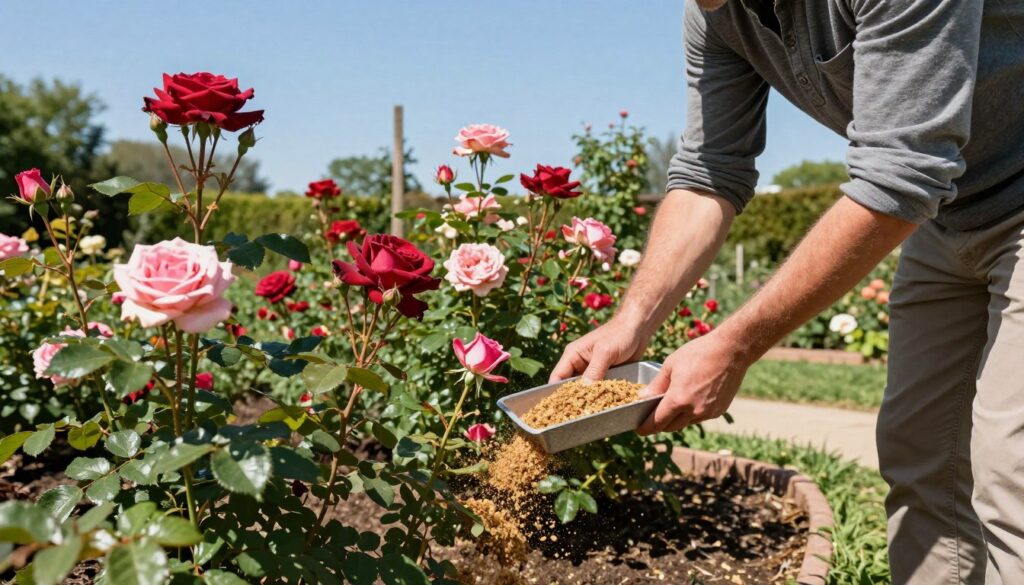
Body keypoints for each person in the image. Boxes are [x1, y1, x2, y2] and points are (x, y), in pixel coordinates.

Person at [549, 1, 1024, 583]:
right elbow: (708, 171)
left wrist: (735, 345)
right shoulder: (713, 12)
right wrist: (632, 321)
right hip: (946, 216)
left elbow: (901, 171)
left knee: (1012, 471)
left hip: (969, 194)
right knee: (924, 461)